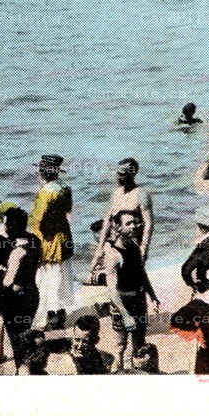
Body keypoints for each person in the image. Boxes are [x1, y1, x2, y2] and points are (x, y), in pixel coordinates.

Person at [0, 204, 42, 374]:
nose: (4, 228)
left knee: (18, 344)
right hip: (32, 293)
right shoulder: (34, 240)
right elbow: (37, 262)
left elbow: (8, 281)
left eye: (6, 225)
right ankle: (29, 369)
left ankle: (22, 372)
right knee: (26, 335)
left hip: (15, 300)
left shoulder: (16, 253)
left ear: (11, 227)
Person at [102, 210, 159, 371]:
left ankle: (138, 372)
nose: (134, 226)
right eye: (128, 223)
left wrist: (152, 296)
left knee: (139, 343)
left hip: (139, 300)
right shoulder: (113, 254)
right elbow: (112, 289)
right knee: (120, 345)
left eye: (135, 222)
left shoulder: (134, 245)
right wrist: (126, 315)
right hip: (122, 303)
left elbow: (141, 274)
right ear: (118, 227)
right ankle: (117, 374)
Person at [27, 154, 74, 331]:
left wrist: (33, 244)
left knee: (49, 279)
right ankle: (60, 314)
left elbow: (37, 221)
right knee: (62, 277)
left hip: (49, 240)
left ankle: (52, 318)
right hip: (64, 237)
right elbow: (67, 211)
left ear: (42, 173)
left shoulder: (45, 192)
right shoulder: (65, 188)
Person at [91, 158, 154, 271]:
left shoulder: (141, 195)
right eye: (118, 172)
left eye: (123, 172)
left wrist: (144, 248)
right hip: (115, 240)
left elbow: (148, 223)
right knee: (108, 273)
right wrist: (100, 247)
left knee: (132, 279)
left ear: (133, 173)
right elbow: (108, 219)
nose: (119, 175)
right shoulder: (117, 193)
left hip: (132, 242)